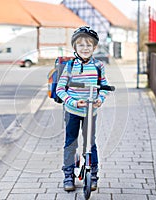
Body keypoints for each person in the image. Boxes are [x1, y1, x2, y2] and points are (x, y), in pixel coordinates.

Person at [56, 26, 108, 191]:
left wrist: (100, 99)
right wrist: (72, 102)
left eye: (89, 45)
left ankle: (93, 174)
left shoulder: (99, 66)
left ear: (94, 47)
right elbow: (60, 89)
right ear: (75, 48)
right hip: (72, 111)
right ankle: (68, 175)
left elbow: (105, 87)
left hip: (90, 111)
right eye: (81, 45)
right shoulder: (70, 66)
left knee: (90, 143)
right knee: (71, 142)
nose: (85, 48)